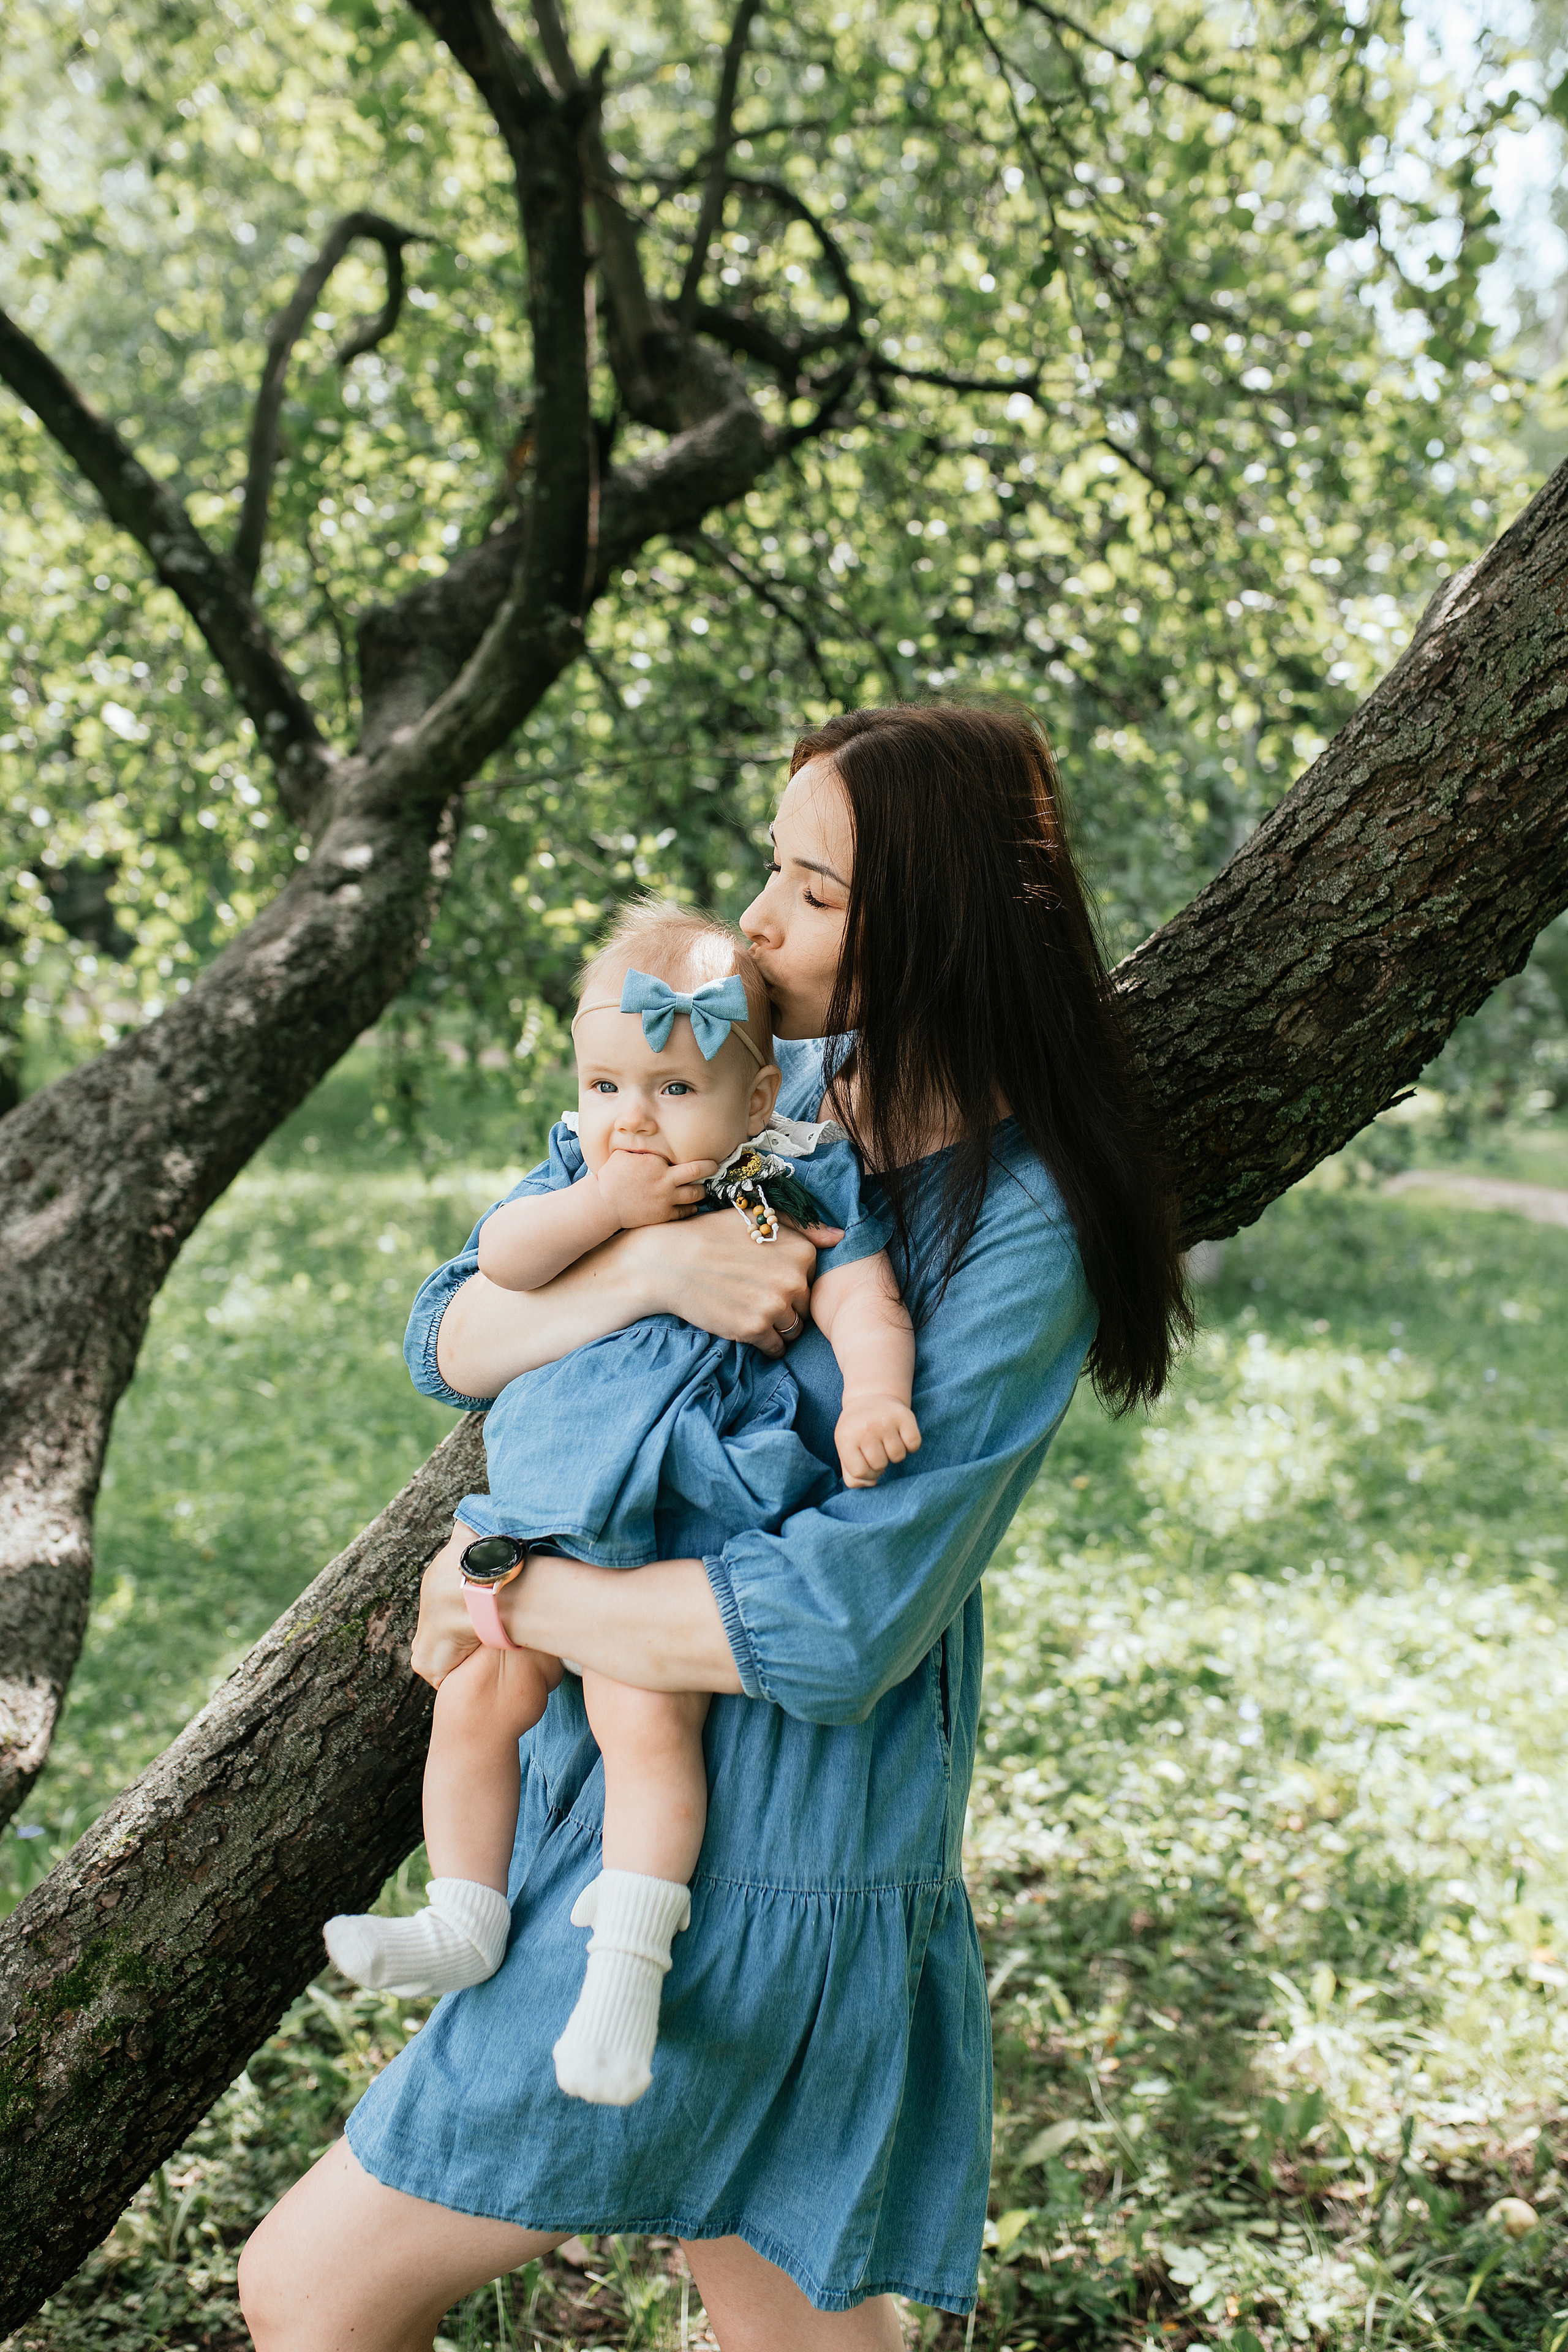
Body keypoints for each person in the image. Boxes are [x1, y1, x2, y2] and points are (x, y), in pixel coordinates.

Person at [239, 702, 1191, 2352]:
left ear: (939, 928)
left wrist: (508, 1594)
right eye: (773, 867)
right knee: (798, 2339)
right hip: (605, 1808)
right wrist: (652, 1266)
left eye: (813, 895)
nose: (755, 920)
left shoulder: (1012, 1226)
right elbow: (450, 1331)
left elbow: (835, 1624)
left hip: (779, 1860)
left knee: (308, 2290)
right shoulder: (770, 1091)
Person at [322, 900, 921, 2108]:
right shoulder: (578, 1173)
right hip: (544, 1500)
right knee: (476, 1702)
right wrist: (609, 1215)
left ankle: (624, 1984)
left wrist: (872, 1396)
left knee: (643, 1730)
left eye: (669, 1091)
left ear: (755, 1104)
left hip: (669, 1523)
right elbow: (497, 1262)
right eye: (603, 1087)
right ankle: (462, 1917)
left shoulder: (791, 1179)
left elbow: (863, 1297)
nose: (628, 1122)